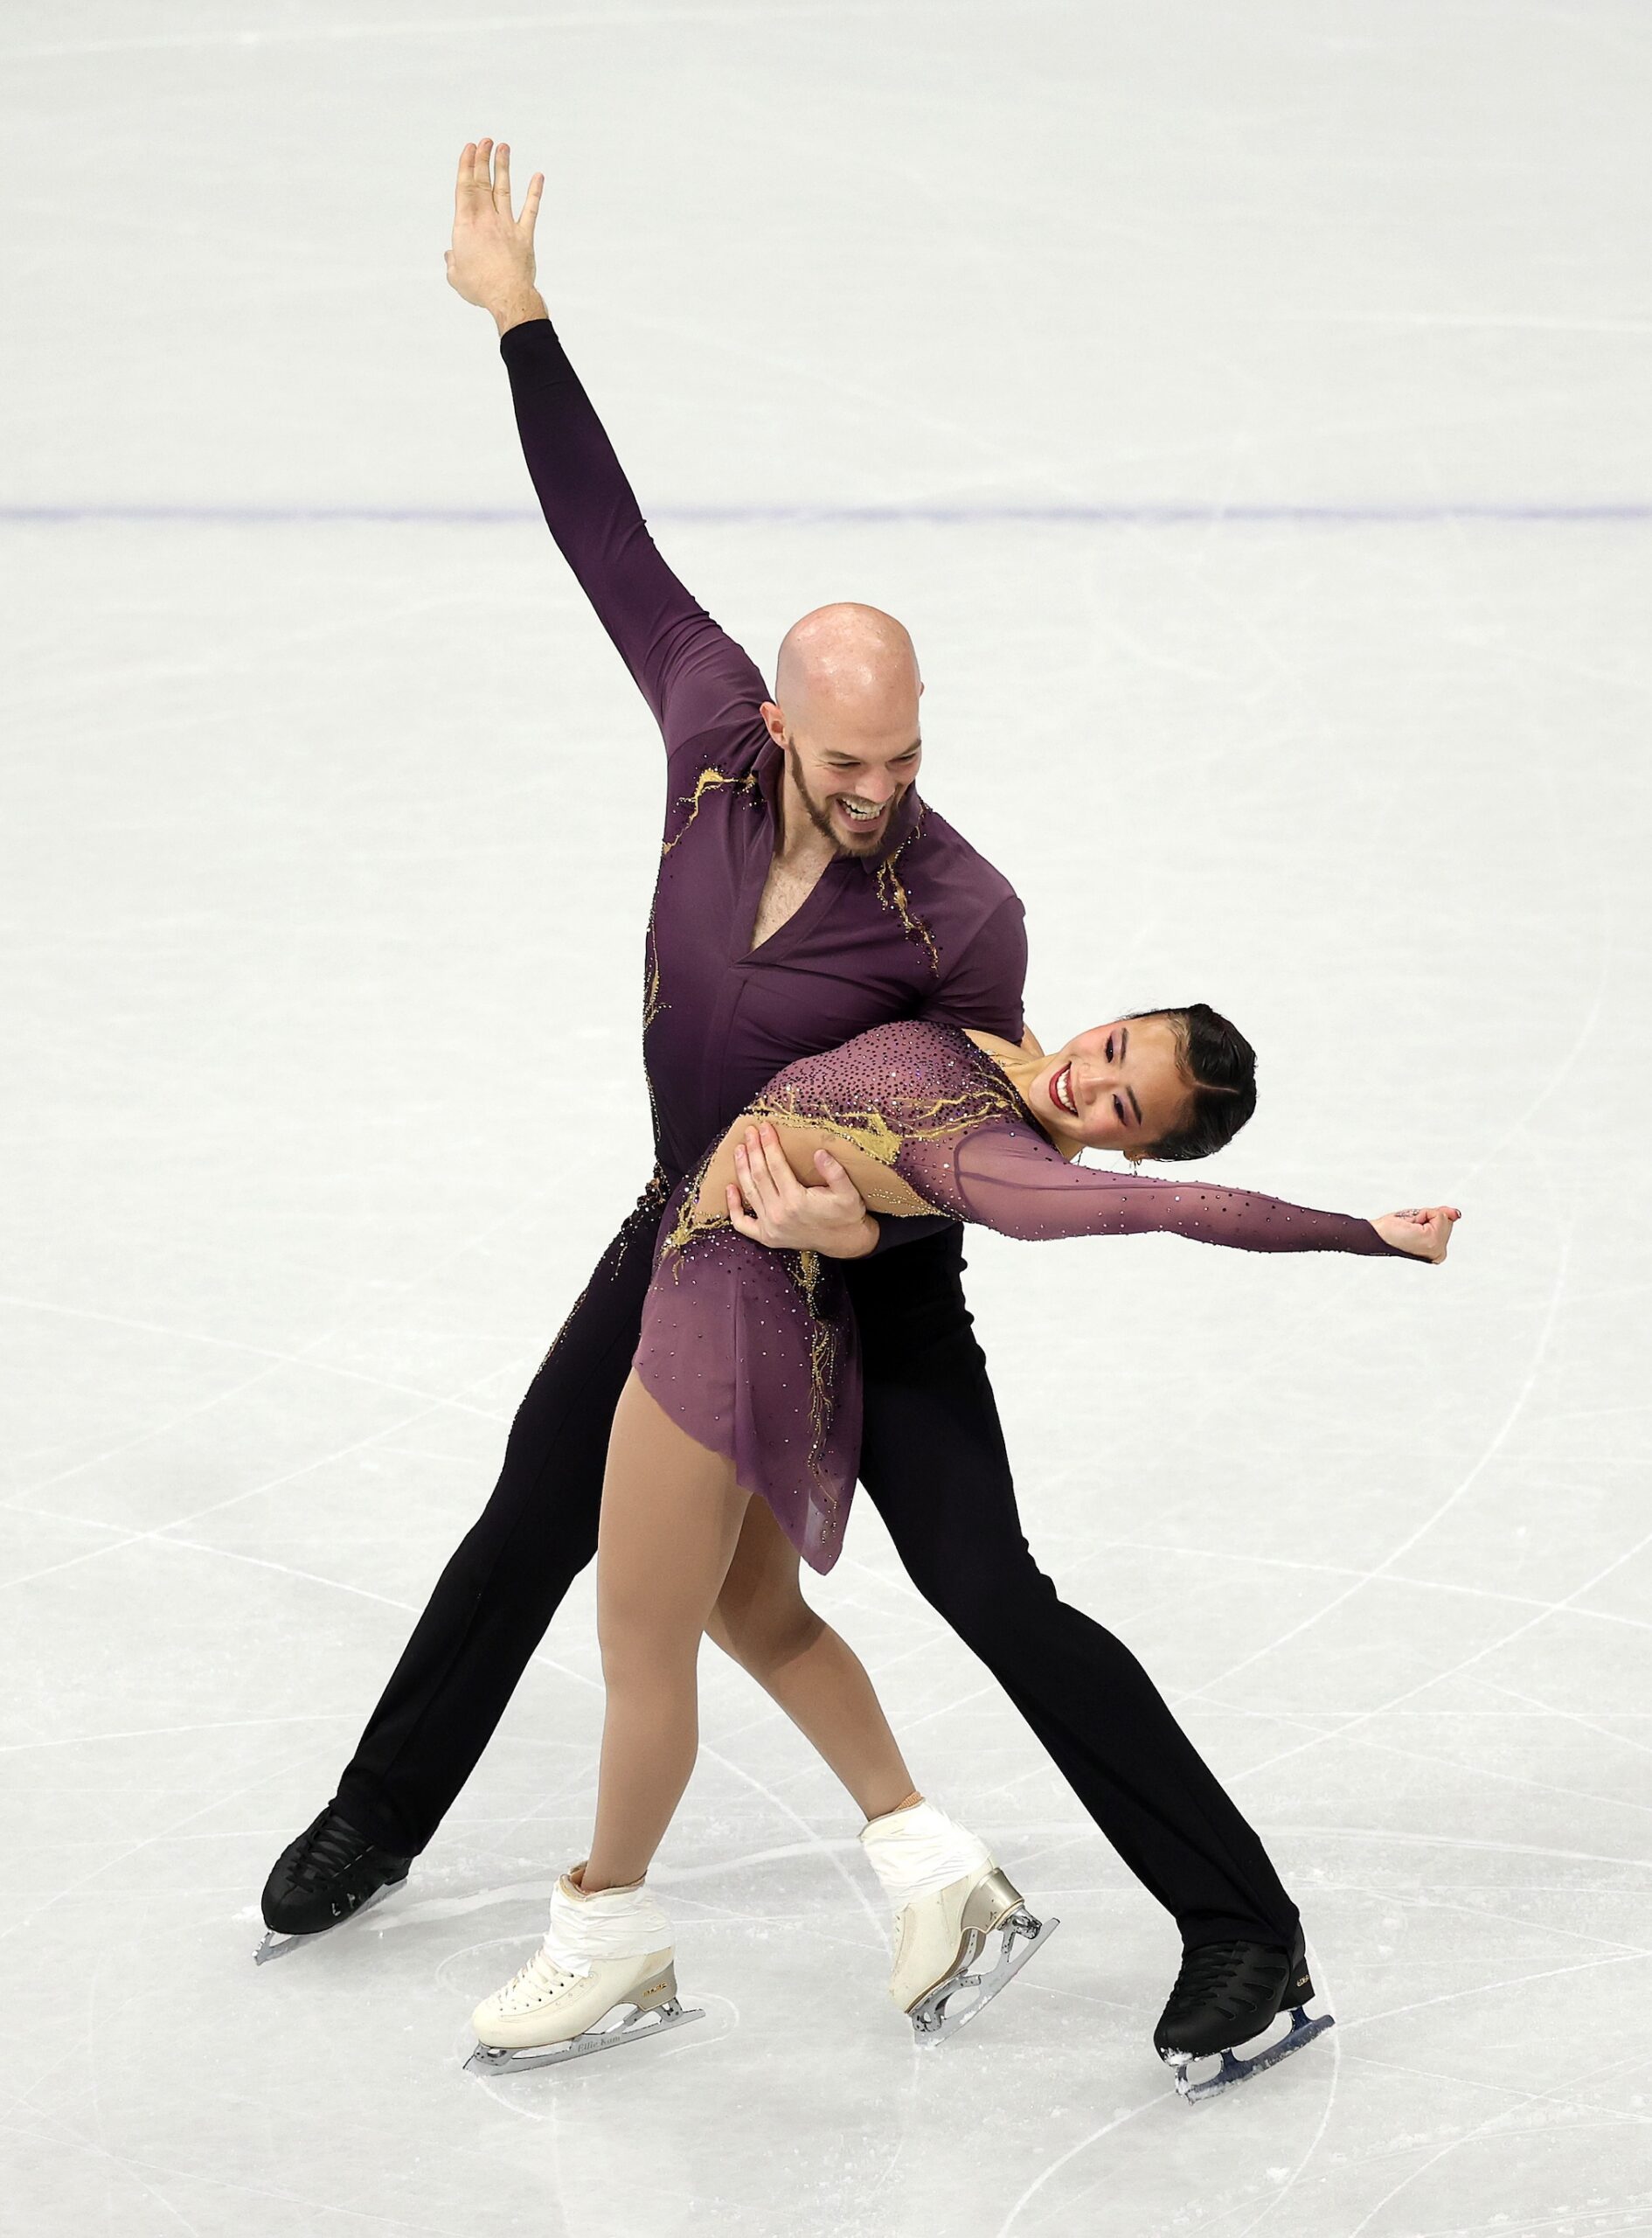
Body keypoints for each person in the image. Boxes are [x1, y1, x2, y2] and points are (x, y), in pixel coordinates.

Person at [260, 137, 1451, 2097]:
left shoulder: (966, 912)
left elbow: (969, 1135)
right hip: (691, 1231)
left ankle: (1245, 1926)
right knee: (527, 1516)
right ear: (788, 733)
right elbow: (610, 545)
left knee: (991, 1589)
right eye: (852, 756)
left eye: (907, 753)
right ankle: (382, 1815)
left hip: (874, 1280)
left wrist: (855, 1238)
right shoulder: (713, 736)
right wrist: (523, 322)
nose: (881, 782)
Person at [465, 1005, 1457, 2086]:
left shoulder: (1000, 1164)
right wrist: (855, 1230)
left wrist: (1368, 1232)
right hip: (776, 1304)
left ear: (1129, 1144)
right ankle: (931, 1867)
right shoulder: (985, 1027)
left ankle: (608, 1929)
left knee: (701, 1642)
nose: (1092, 1078)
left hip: (770, 1323)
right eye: (1115, 1046)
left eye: (1126, 1105)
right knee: (751, 1611)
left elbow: (1178, 1204)